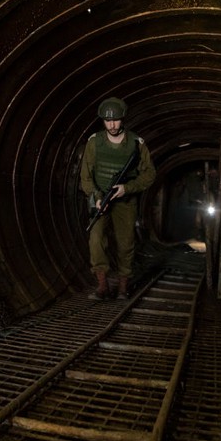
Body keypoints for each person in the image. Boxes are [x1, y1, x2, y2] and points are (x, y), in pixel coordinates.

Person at [80, 97, 156, 300]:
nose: (112, 125)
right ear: (102, 121)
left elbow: (149, 175)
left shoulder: (136, 144)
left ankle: (123, 287)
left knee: (126, 243)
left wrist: (127, 188)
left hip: (125, 202)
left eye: (115, 120)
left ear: (123, 119)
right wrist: (96, 197)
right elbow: (85, 177)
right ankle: (103, 286)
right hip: (100, 201)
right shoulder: (94, 143)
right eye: (107, 121)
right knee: (96, 241)